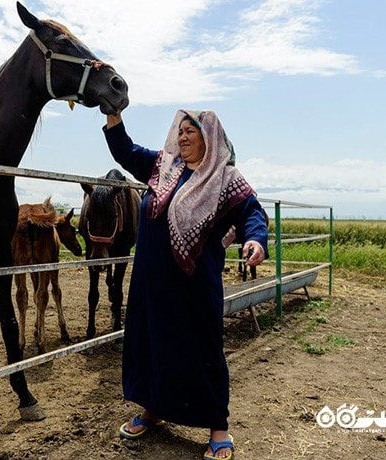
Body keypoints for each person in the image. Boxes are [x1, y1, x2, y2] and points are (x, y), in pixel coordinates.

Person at [102, 109, 268, 460]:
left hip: (194, 285)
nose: (183, 137)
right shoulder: (163, 166)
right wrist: (113, 114)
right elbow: (126, 152)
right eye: (180, 130)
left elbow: (252, 213)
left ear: (210, 137)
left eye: (191, 131)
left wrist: (256, 240)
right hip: (151, 282)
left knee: (202, 350)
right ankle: (152, 409)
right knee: (152, 345)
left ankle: (217, 427)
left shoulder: (225, 179)